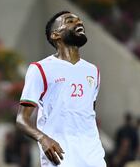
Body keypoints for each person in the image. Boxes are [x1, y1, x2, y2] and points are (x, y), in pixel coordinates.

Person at [16, 11, 106, 166]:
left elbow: (89, 114)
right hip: (60, 156)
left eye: (80, 20)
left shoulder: (93, 71)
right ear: (55, 35)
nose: (79, 23)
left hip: (93, 157)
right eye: (70, 20)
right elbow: (21, 119)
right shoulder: (40, 69)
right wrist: (43, 138)